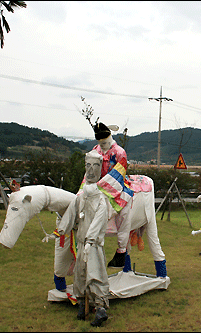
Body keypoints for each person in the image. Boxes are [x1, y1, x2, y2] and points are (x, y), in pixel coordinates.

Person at [57, 151, 110, 327]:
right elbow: (71, 213)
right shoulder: (81, 197)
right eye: (88, 166)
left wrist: (90, 240)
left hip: (93, 245)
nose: (91, 170)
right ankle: (82, 304)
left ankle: (101, 308)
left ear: (100, 169)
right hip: (82, 244)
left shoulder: (102, 200)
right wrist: (60, 230)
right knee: (80, 274)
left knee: (95, 275)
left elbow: (99, 221)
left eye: (95, 166)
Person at [78, 120, 130, 268]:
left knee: (124, 212)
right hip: (94, 186)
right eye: (100, 142)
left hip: (116, 186)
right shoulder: (95, 150)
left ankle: (121, 249)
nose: (102, 145)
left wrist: (99, 187)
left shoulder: (120, 153)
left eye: (105, 142)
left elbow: (118, 174)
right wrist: (83, 189)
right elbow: (89, 172)